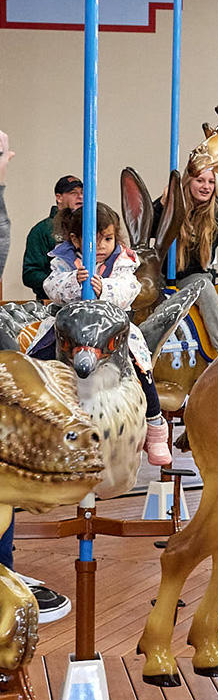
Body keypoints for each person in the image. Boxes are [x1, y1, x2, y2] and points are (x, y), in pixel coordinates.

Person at [0, 129, 71, 622]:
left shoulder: (98, 233)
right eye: (71, 193)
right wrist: (56, 283)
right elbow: (28, 270)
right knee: (34, 359)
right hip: (54, 302)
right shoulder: (45, 234)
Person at [43, 202, 172, 466]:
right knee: (39, 353)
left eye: (108, 239)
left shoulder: (122, 261)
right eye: (94, 239)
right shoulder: (64, 261)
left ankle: (154, 423)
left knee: (140, 361)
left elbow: (130, 288)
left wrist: (105, 288)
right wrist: (73, 282)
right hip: (70, 325)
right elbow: (51, 286)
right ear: (75, 240)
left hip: (110, 326)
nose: (101, 246)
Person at [152, 166, 218, 352]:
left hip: (192, 277)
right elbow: (147, 230)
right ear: (187, 183)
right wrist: (162, 203)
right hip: (161, 278)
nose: (206, 186)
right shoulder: (170, 208)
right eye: (200, 180)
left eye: (211, 182)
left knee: (203, 286)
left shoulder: (216, 216)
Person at [22, 174, 83, 301]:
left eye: (82, 192)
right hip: (52, 303)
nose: (80, 196)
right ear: (59, 197)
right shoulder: (42, 230)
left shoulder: (91, 227)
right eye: (73, 193)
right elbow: (30, 274)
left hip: (86, 301)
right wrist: (60, 284)